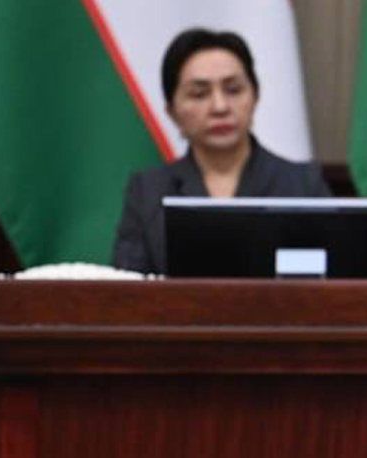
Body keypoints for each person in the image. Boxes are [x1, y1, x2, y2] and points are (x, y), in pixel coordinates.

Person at [111, 28, 329, 274]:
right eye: (199, 94)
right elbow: (128, 284)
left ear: (255, 96)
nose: (220, 107)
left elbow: (329, 279)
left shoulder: (303, 184)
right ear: (172, 111)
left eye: (233, 89)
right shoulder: (148, 190)